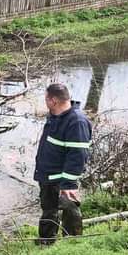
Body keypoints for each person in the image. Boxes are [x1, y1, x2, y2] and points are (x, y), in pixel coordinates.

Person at [34, 83, 93, 245]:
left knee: (69, 209)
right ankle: (46, 241)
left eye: (46, 98)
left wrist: (68, 184)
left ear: (53, 100)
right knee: (49, 210)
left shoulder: (76, 122)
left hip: (61, 178)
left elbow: (78, 155)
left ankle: (72, 242)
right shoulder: (55, 116)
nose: (45, 102)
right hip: (48, 175)